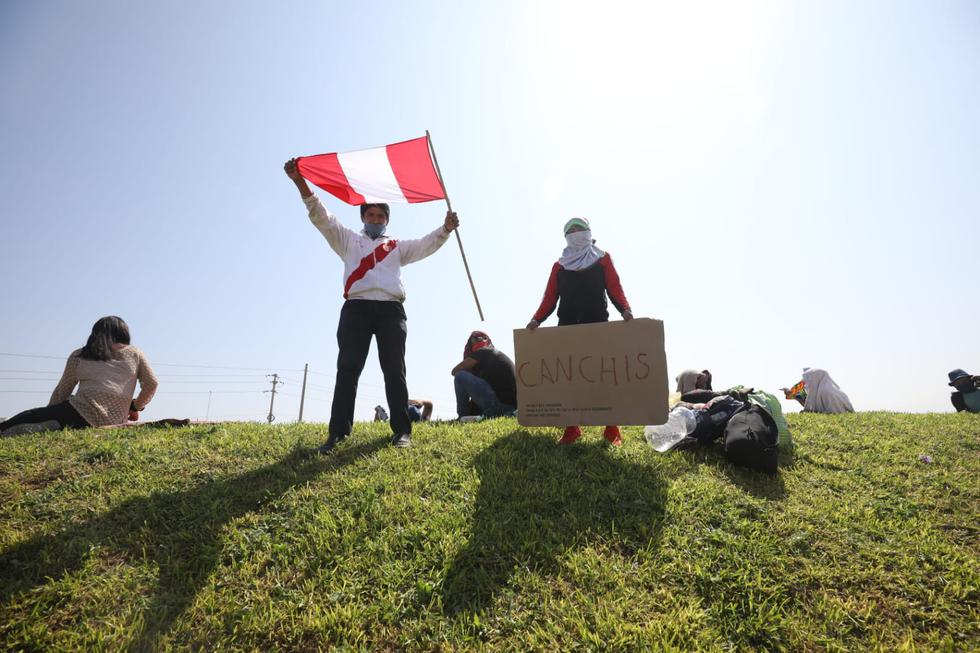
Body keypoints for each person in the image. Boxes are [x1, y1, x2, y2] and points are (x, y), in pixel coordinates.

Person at [284, 158, 458, 452]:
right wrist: (300, 181)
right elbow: (321, 215)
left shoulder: (397, 247)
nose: (375, 220)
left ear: (386, 220)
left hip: (391, 310)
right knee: (348, 369)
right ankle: (338, 433)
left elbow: (425, 244)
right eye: (370, 215)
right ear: (363, 217)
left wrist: (445, 228)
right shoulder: (348, 241)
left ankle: (402, 431)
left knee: (394, 370)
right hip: (357, 308)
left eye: (380, 216)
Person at [526, 217, 633, 445]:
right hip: (567, 328)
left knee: (603, 376)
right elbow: (550, 297)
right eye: (570, 230)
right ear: (565, 237)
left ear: (588, 232)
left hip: (597, 325)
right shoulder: (559, 266)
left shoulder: (602, 259)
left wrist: (625, 309)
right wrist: (536, 319)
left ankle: (611, 428)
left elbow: (614, 287)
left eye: (579, 228)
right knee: (570, 379)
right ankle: (572, 428)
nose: (575, 232)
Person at [0, 316, 158, 436]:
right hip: (114, 423)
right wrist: (135, 406)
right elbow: (152, 383)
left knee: (32, 415)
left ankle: (13, 427)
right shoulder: (135, 353)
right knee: (58, 419)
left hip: (79, 412)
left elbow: (62, 391)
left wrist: (49, 411)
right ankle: (56, 424)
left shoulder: (80, 355)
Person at [451, 331, 517, 419]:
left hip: (498, 405)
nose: (479, 339)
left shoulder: (483, 351)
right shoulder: (493, 357)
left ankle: (462, 416)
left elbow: (454, 371)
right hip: (512, 407)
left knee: (460, 376)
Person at [784, 367, 854, 414]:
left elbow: (833, 413)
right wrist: (793, 395)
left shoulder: (827, 392)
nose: (806, 384)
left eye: (808, 380)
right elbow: (810, 405)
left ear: (814, 378)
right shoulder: (821, 390)